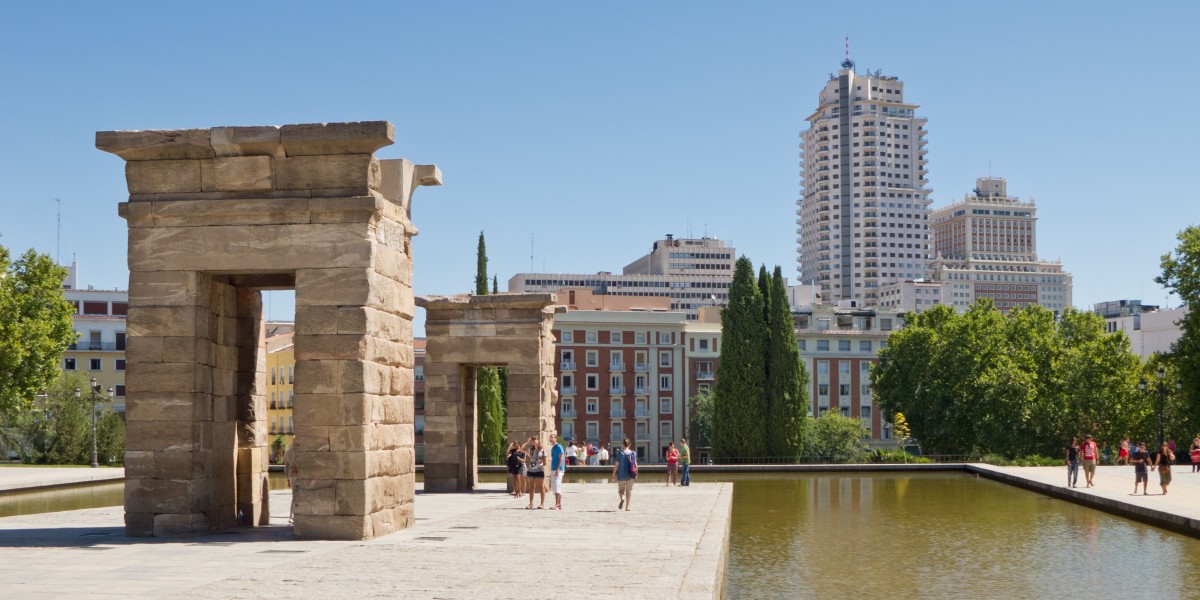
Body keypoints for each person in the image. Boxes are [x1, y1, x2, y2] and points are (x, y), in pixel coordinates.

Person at [609, 438, 636, 511]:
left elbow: (617, 465)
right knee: (629, 491)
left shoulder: (620, 453)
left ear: (623, 445)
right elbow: (635, 465)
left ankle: (622, 498)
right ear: (629, 444)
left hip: (621, 475)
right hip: (631, 475)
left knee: (621, 490)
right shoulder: (633, 453)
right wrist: (636, 474)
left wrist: (613, 474)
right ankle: (627, 507)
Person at [526, 437, 546, 509]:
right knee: (531, 487)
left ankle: (542, 503)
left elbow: (545, 462)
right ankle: (531, 503)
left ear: (538, 441)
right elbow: (521, 449)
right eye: (532, 440)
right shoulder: (531, 450)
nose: (533, 441)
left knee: (541, 487)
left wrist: (539, 464)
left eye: (535, 439)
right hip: (531, 470)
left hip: (539, 470)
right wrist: (527, 443)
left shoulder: (542, 450)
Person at [283, 441, 298, 523]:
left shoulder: (287, 453)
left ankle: (291, 516)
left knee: (294, 496)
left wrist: (288, 479)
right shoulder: (300, 452)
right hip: (299, 474)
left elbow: (286, 467)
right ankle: (295, 515)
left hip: (291, 475)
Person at [550, 434, 566, 510]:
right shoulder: (553, 448)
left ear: (556, 439)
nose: (550, 439)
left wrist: (557, 469)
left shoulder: (559, 447)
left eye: (552, 437)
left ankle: (557, 504)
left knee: (557, 485)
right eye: (550, 437)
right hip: (553, 468)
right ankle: (558, 504)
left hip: (558, 469)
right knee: (555, 486)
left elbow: (561, 458)